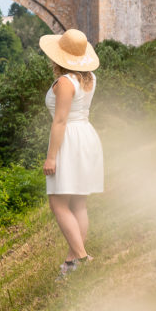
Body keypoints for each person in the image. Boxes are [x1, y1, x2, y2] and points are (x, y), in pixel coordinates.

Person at [39, 28, 104, 277]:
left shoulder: (65, 82)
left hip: (70, 140)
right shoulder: (89, 78)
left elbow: (60, 121)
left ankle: (82, 257)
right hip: (86, 135)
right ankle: (71, 264)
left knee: (58, 203)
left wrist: (51, 156)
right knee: (78, 203)